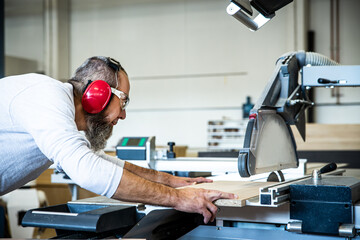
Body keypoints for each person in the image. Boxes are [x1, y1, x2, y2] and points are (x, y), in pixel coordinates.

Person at [0, 56, 236, 223]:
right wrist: (178, 199)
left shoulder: (55, 111)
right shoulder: (47, 97)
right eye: (124, 102)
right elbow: (87, 169)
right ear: (98, 94)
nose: (123, 114)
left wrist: (171, 181)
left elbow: (94, 158)